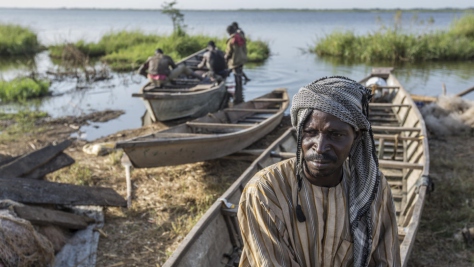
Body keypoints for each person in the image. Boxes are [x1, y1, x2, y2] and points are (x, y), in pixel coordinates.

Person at [238, 76, 401, 267]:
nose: (320, 147)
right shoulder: (266, 190)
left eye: (336, 135)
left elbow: (386, 259)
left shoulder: (373, 187)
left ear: (356, 136)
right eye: (310, 132)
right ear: (299, 132)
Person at [138, 48, 202, 88]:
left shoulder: (150, 58)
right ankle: (201, 78)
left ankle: (159, 81)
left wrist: (147, 76)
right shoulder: (166, 57)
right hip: (163, 79)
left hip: (151, 79)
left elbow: (140, 71)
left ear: (155, 54)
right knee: (182, 67)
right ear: (162, 53)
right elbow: (174, 68)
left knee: (157, 74)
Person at [225, 24, 248, 104]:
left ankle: (237, 98)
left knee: (236, 76)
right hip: (242, 59)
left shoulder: (231, 40)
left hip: (235, 60)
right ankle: (240, 94)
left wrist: (225, 59)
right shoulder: (241, 37)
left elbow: (229, 53)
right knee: (239, 74)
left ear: (229, 32)